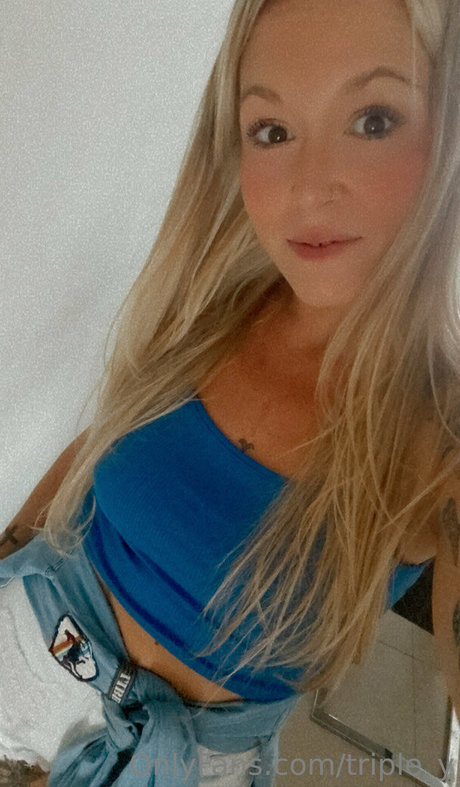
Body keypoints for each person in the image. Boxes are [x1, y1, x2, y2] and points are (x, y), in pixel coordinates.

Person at [1, 0, 459, 783]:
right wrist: (13, 544)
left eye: (374, 120)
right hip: (31, 645)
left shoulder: (439, 442)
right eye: (272, 130)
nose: (308, 187)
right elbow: (106, 441)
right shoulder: (216, 296)